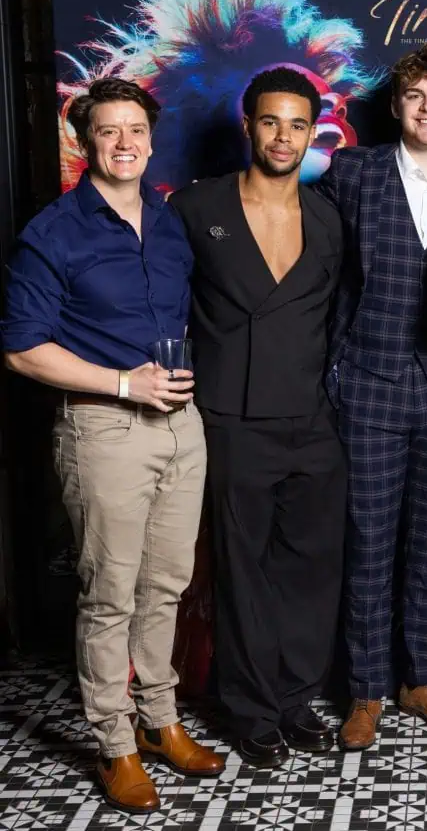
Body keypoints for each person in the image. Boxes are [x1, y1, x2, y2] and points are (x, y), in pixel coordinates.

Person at [0, 77, 223, 814]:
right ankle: (115, 742)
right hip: (104, 426)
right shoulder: (53, 232)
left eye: (135, 130)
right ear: (85, 141)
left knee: (167, 585)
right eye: (108, 131)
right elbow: (22, 349)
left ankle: (160, 720)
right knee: (110, 594)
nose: (124, 143)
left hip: (181, 424)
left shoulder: (168, 220)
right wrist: (125, 384)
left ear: (152, 140)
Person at [170, 67, 347, 768]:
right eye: (270, 121)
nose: (283, 136)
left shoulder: (329, 217)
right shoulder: (196, 206)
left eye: (297, 125)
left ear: (312, 134)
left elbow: (338, 318)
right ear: (248, 126)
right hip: (232, 416)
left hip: (312, 417)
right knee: (243, 571)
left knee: (311, 568)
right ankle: (251, 710)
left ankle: (297, 699)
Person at [313, 44, 427, 749]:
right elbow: (308, 261)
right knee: (369, 546)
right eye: (415, 95)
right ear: (396, 105)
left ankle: (424, 681)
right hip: (369, 387)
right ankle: (366, 689)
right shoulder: (354, 173)